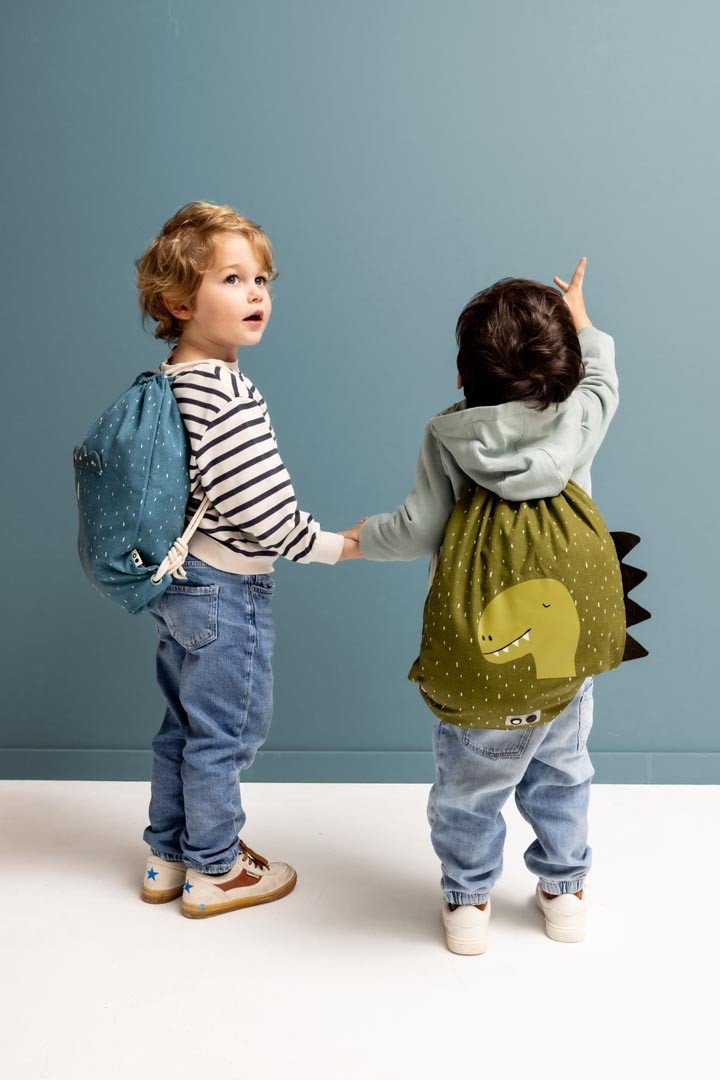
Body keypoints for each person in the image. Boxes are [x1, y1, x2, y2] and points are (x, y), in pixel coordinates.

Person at [342, 259, 618, 952]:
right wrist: (583, 320)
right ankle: (565, 890)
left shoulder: (449, 436)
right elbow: (605, 378)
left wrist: (359, 540)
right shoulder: (579, 415)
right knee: (564, 773)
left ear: (463, 375)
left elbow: (416, 531)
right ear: (566, 368)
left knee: (468, 790)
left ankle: (468, 902)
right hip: (563, 665)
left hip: (478, 666)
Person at [134, 201, 361, 918]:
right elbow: (265, 515)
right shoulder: (227, 394)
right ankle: (216, 869)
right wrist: (338, 546)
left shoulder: (171, 377)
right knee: (225, 734)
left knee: (183, 726)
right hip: (227, 591)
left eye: (261, 278)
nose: (256, 292)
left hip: (178, 582)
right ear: (179, 302)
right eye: (231, 279)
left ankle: (167, 857)